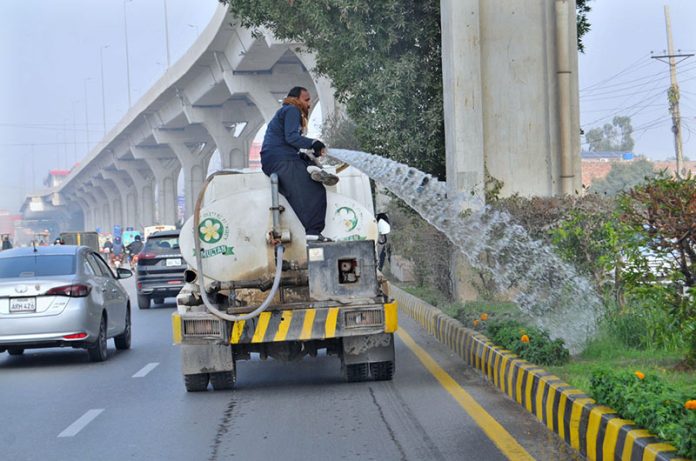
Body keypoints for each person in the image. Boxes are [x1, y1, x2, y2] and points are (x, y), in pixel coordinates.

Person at [260, 86, 338, 242]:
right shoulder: (292, 110)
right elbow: (292, 138)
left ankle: (313, 169)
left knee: (303, 172)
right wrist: (314, 143)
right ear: (296, 98)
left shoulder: (286, 112)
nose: (309, 104)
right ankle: (313, 232)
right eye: (307, 99)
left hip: (278, 158)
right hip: (281, 159)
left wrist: (308, 151)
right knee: (315, 190)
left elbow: (289, 141)